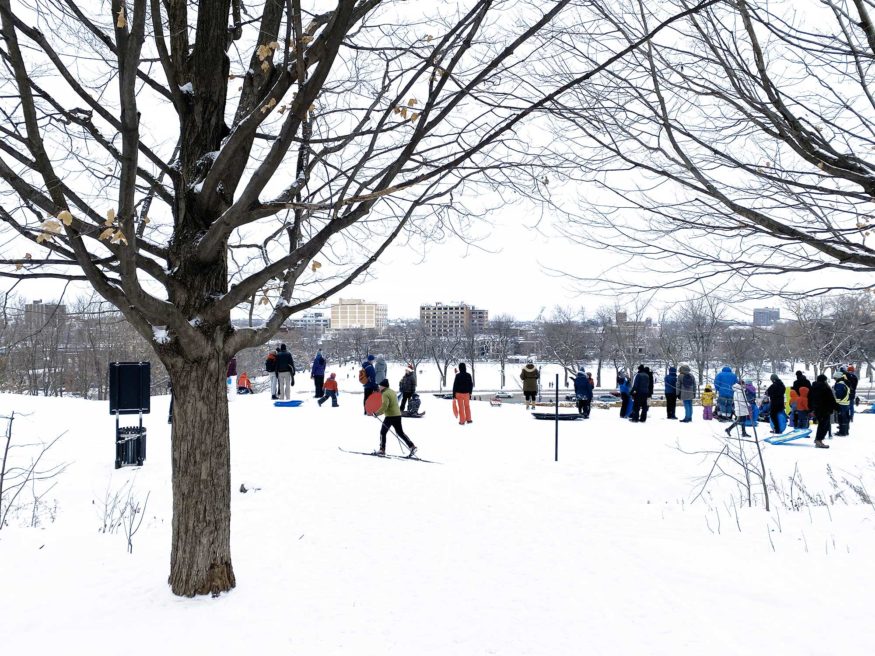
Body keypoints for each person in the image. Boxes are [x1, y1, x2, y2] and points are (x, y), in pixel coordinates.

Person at [371, 379, 416, 456]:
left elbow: (385, 406)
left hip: (390, 416)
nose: (379, 387)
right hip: (398, 415)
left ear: (383, 386)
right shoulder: (392, 391)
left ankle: (382, 450)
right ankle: (412, 446)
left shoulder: (385, 393)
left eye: (380, 386)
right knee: (400, 433)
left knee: (383, 432)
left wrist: (376, 413)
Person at [808, 374, 837, 448]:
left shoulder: (813, 387)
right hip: (825, 409)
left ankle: (818, 440)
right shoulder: (825, 388)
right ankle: (818, 440)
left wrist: (811, 409)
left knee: (822, 424)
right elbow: (831, 399)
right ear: (824, 380)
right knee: (824, 425)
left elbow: (809, 399)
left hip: (817, 410)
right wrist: (836, 407)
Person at [833, 371, 852, 436]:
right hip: (846, 403)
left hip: (841, 404)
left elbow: (839, 395)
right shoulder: (845, 383)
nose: (834, 379)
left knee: (841, 418)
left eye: (835, 378)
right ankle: (845, 431)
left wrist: (835, 403)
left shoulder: (840, 384)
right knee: (846, 418)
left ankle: (842, 432)